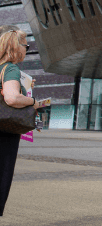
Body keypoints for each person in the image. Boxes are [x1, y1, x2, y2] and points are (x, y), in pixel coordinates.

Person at [0, 26, 40, 217]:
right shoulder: (10, 69)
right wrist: (33, 102)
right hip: (3, 134)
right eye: (26, 46)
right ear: (16, 47)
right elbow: (12, 98)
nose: (27, 50)